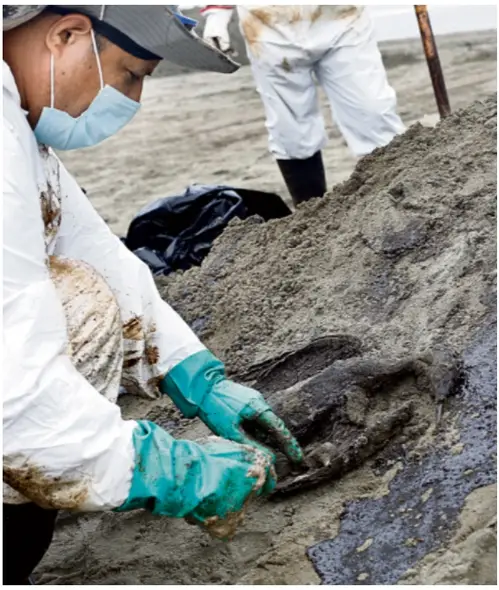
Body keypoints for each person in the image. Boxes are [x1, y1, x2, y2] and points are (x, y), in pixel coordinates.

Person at [2, 5, 304, 584]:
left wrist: (194, 373)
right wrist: (161, 469)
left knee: (83, 290)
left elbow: (93, 247)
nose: (133, 99)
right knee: (73, 306)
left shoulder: (16, 123)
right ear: (67, 35)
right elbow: (12, 382)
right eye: (131, 74)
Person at [199, 5, 407, 205]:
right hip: (268, 25)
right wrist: (217, 14)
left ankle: (400, 198)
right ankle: (311, 213)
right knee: (291, 130)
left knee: (372, 111)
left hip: (343, 19)